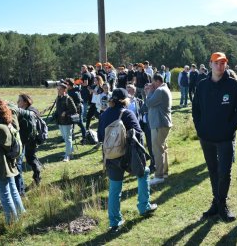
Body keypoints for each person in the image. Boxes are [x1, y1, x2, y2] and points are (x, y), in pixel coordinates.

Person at [192, 52, 237, 222]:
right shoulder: (202, 86)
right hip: (206, 138)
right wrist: (200, 130)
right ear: (210, 64)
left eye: (223, 63)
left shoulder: (233, 86)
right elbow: (196, 111)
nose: (219, 66)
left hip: (225, 138)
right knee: (213, 171)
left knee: (225, 172)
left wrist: (229, 130)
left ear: (226, 65)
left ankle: (221, 205)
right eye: (216, 62)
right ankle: (216, 203)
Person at [97, 88, 157, 232]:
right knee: (144, 173)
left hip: (111, 156)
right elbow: (138, 134)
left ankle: (115, 222)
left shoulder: (104, 115)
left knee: (115, 188)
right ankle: (144, 206)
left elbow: (100, 137)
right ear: (125, 100)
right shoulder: (128, 113)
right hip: (128, 155)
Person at [145, 74, 173, 185]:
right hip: (162, 123)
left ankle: (159, 176)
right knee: (163, 149)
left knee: (157, 150)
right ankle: (164, 172)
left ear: (157, 81)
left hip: (159, 124)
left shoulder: (160, 90)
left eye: (153, 82)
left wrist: (149, 92)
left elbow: (149, 103)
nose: (151, 84)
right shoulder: (164, 89)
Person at [17, 94, 42, 185]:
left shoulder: (30, 111)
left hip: (30, 140)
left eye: (19, 101)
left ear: (25, 102)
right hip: (28, 139)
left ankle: (37, 177)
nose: (17, 103)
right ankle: (37, 173)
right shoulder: (28, 110)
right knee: (31, 157)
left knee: (30, 158)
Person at [54, 82, 77, 162]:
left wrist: (66, 112)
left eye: (60, 89)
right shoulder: (58, 98)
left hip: (67, 122)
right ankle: (70, 151)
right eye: (58, 89)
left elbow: (74, 110)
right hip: (60, 121)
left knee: (67, 138)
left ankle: (68, 155)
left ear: (64, 89)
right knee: (65, 138)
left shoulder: (68, 98)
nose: (58, 91)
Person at [65, 78, 86, 144]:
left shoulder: (75, 92)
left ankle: (84, 138)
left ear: (69, 85)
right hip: (72, 109)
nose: (65, 85)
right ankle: (70, 136)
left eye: (66, 84)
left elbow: (79, 102)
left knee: (80, 123)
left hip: (78, 109)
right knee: (71, 123)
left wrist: (76, 112)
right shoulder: (69, 90)